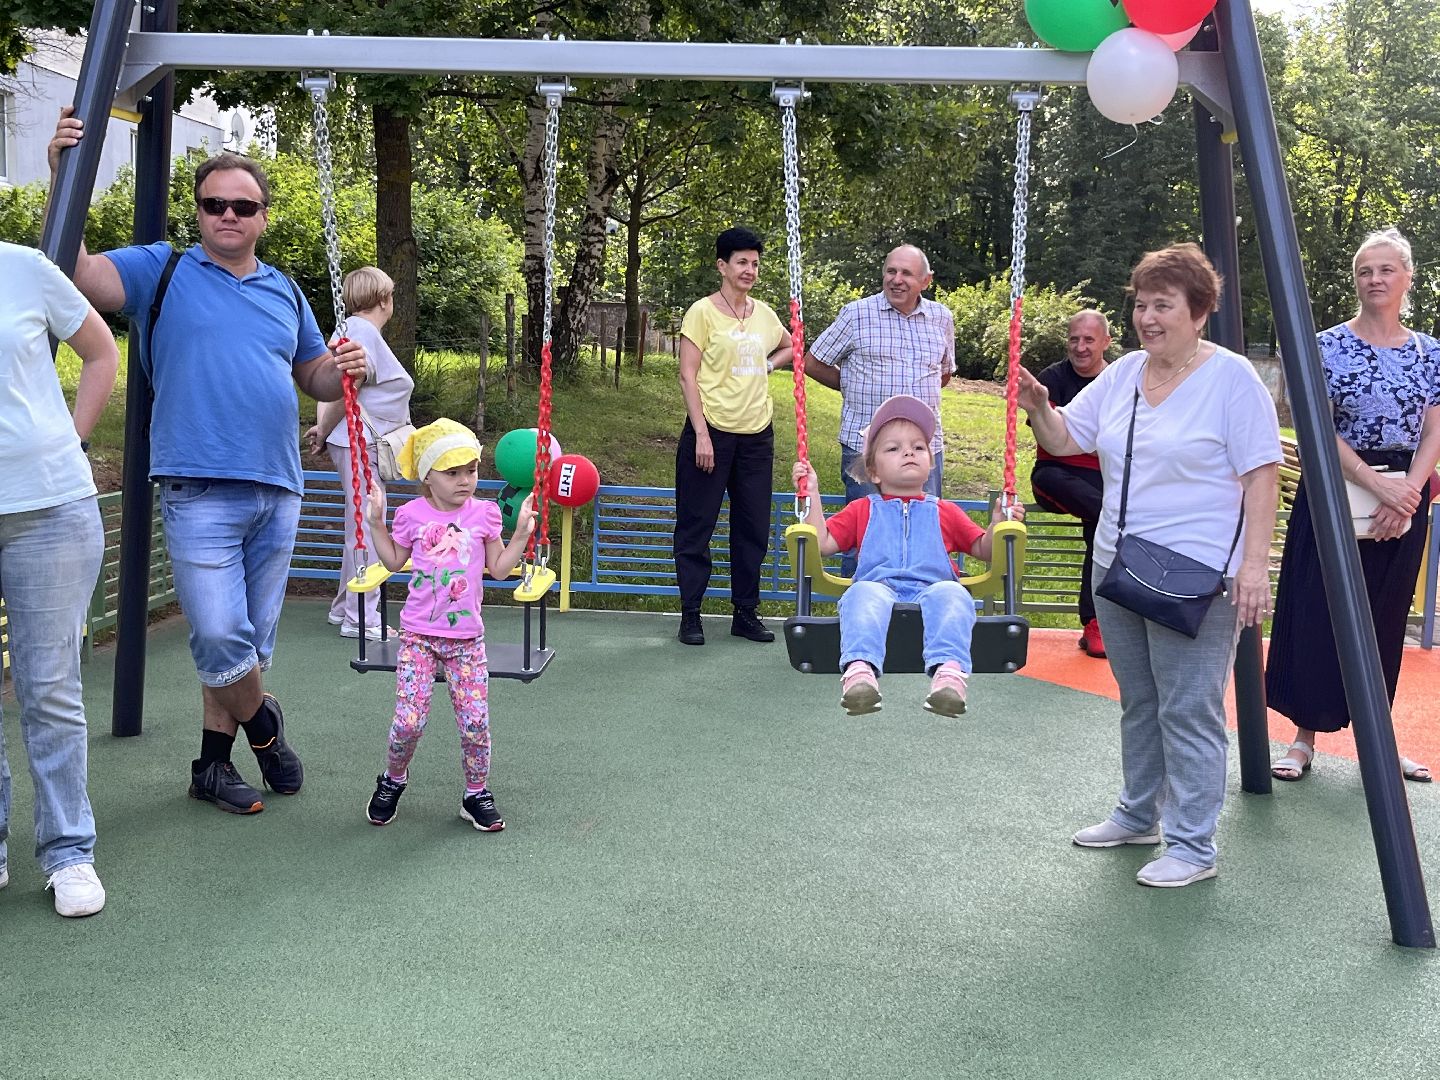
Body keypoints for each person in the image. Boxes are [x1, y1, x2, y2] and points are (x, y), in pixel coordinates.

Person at [48, 108, 368, 816]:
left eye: (242, 205)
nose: (228, 213)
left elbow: (312, 376)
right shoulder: (160, 269)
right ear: (198, 211)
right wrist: (61, 175)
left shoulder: (284, 289)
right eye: (214, 203)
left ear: (262, 215)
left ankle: (212, 768)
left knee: (252, 642)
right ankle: (266, 730)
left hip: (279, 484)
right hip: (198, 485)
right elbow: (79, 271)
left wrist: (346, 369)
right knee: (222, 635)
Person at [1019, 243, 1281, 889]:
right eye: (1141, 303)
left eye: (1163, 304)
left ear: (1199, 312)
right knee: (1139, 701)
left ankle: (1194, 846)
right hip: (1118, 564)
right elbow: (1065, 439)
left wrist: (1253, 567)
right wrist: (1035, 406)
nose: (1147, 316)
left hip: (1196, 576)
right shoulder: (1124, 373)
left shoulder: (1232, 379)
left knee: (1188, 709)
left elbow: (1262, 473)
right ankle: (1139, 815)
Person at [1267, 228, 1440, 784]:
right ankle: (1302, 740)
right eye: (1366, 271)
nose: (1375, 279)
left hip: (1405, 494)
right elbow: (1314, 424)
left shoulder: (1430, 351)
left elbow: (1435, 428)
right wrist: (1376, 484)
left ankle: (1379, 742)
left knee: (1384, 620)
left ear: (1407, 278)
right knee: (1320, 609)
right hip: (1336, 487)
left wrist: (1407, 491)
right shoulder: (1326, 345)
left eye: (1386, 269)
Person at [0, 242, 119, 917]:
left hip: (48, 510)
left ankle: (69, 851)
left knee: (47, 688)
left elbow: (102, 352)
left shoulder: (22, 268)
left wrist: (72, 436)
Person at [791, 395, 1023, 718]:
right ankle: (860, 673)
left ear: (930, 461)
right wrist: (811, 493)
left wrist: (1001, 523)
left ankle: (949, 677)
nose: (909, 452)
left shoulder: (945, 512)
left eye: (918, 447)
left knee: (955, 593)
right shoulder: (863, 510)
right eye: (894, 448)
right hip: (878, 590)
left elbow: (984, 549)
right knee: (861, 593)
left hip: (933, 592)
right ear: (873, 471)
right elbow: (823, 542)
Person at [361, 419, 536, 831]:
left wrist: (522, 535)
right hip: (418, 637)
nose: (465, 480)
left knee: (475, 723)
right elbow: (391, 562)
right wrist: (375, 522)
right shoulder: (410, 515)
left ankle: (475, 793)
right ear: (428, 476)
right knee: (409, 722)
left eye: (471, 470)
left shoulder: (485, 515)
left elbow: (498, 570)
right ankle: (393, 779)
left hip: (467, 641)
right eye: (452, 472)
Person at [777, 245, 955, 575]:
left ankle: (916, 617)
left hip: (925, 449)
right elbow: (813, 361)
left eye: (906, 274)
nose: (896, 280)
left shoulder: (942, 318)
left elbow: (944, 372)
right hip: (866, 446)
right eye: (891, 271)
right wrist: (853, 385)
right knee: (864, 539)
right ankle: (859, 617)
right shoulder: (857, 314)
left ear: (926, 281)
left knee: (924, 539)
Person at [673, 226, 793, 647]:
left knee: (752, 527)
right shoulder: (702, 313)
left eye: (755, 263)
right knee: (696, 524)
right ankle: (691, 614)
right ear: (722, 266)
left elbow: (790, 346)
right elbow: (688, 375)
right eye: (741, 262)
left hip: (756, 436)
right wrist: (702, 435)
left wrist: (771, 365)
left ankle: (746, 612)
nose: (749, 270)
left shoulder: (764, 314)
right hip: (712, 434)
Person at [304, 266, 415, 640]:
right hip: (359, 442)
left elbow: (336, 387)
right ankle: (361, 617)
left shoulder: (350, 330)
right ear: (385, 299)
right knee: (368, 524)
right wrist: (324, 431)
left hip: (353, 439)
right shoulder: (362, 332)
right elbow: (344, 387)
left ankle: (343, 606)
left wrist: (323, 429)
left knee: (360, 521)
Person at [1029, 310, 1112, 658]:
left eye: (1089, 340)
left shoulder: (1118, 378)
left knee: (1102, 521)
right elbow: (1050, 438)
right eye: (1074, 339)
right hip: (1055, 474)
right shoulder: (1051, 379)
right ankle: (1097, 623)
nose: (1080, 347)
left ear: (1106, 342)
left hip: (1100, 478)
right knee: (1107, 513)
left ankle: (1096, 625)